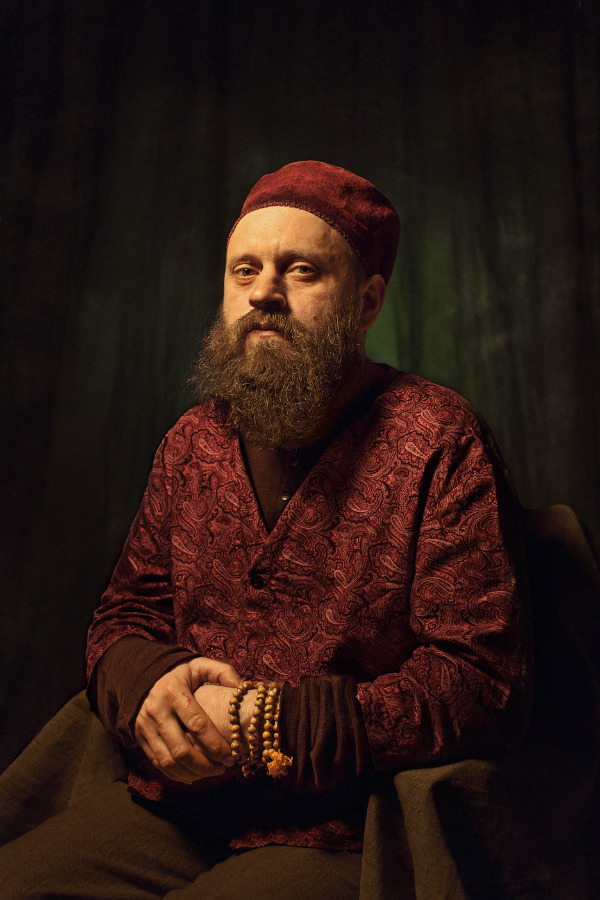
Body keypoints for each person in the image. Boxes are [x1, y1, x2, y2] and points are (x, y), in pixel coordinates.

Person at [0, 161, 532, 899]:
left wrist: (262, 724)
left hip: (345, 828)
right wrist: (148, 684)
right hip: (182, 808)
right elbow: (125, 612)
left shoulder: (438, 440)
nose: (263, 293)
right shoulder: (192, 441)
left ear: (368, 301)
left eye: (301, 270)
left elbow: (479, 680)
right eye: (243, 269)